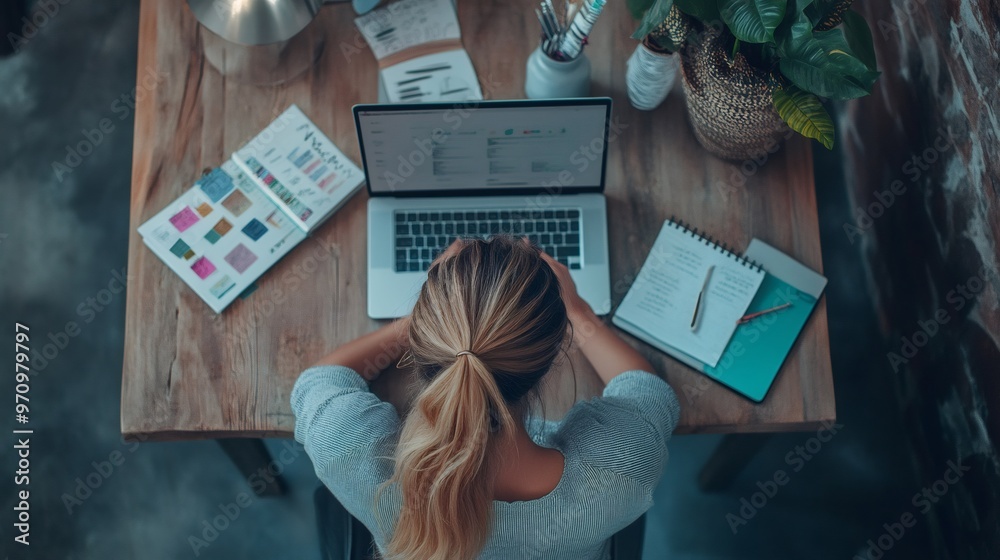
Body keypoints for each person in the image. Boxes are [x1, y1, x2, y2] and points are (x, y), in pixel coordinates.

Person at [292, 236, 680, 560]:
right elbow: (645, 389)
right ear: (553, 356)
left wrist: (440, 318)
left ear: (426, 341)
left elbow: (323, 378)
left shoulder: (348, 451)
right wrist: (577, 311)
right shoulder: (621, 471)